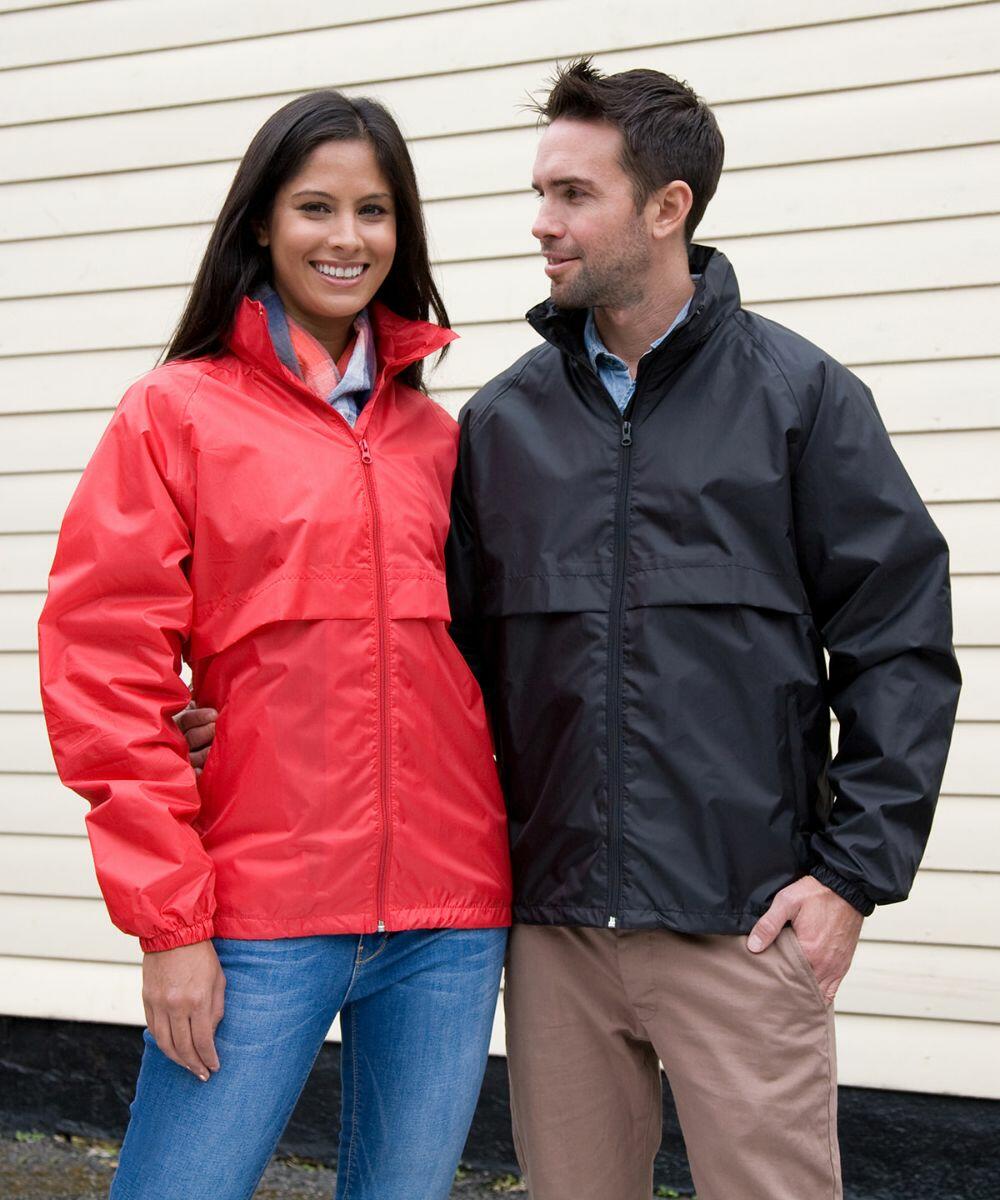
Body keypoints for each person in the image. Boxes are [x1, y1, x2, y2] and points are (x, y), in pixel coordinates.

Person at [443, 61, 960, 1199]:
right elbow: (445, 673)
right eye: (539, 192)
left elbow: (899, 640)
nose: (541, 223)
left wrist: (849, 881)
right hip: (556, 931)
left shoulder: (801, 400)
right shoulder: (499, 426)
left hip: (744, 927)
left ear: (667, 207)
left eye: (574, 194)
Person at [37, 88, 511, 1200]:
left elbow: (500, 664)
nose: (347, 239)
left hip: (448, 921)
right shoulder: (175, 414)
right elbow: (105, 670)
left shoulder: (444, 441)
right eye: (315, 207)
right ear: (260, 221)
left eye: (375, 212)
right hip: (257, 913)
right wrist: (169, 926)